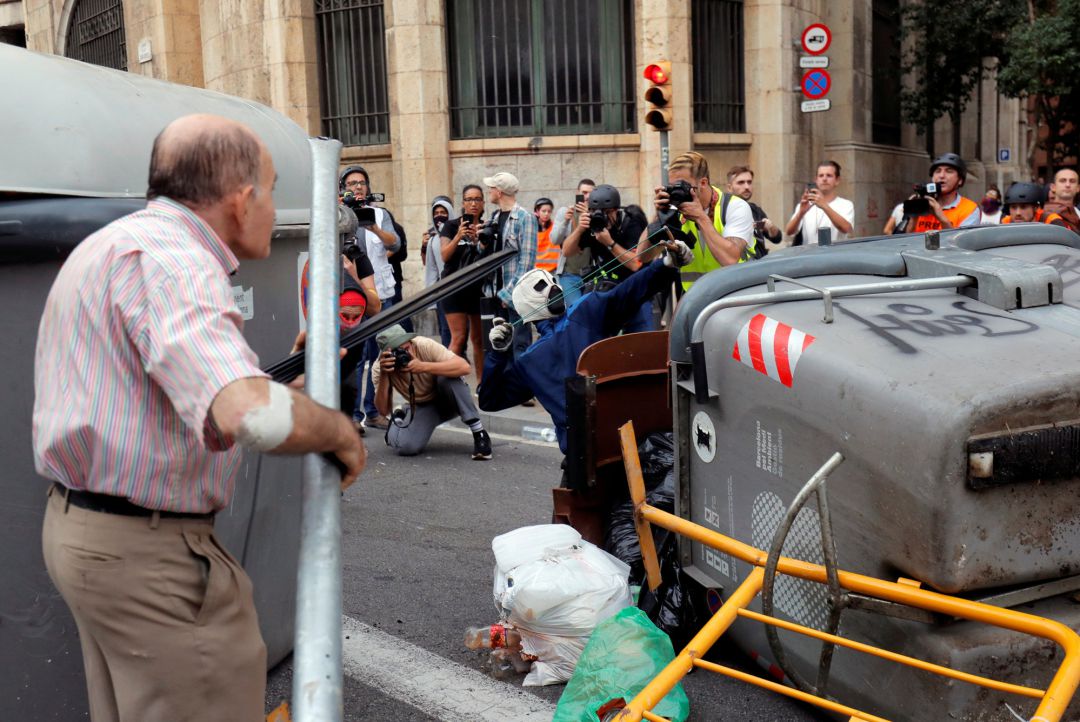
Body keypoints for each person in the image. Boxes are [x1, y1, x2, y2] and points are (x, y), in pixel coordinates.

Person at [32, 114, 365, 722]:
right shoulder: (177, 262)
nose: (272, 205)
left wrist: (277, 380)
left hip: (88, 534)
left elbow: (153, 393)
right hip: (148, 556)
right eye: (270, 189)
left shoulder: (120, 242)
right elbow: (248, 416)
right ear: (242, 201)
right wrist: (337, 430)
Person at [477, 241, 693, 454]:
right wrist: (498, 352)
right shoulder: (536, 356)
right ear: (526, 305)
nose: (554, 287)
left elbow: (628, 293)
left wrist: (664, 265)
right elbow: (490, 400)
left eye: (553, 280)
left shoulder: (538, 353)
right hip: (623, 437)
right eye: (542, 286)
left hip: (586, 451)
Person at [640, 151, 754, 292]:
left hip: (733, 295)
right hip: (695, 297)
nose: (677, 192)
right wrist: (658, 215)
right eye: (672, 186)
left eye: (682, 186)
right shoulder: (675, 209)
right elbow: (643, 256)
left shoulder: (734, 207)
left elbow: (730, 259)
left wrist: (700, 217)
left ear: (703, 183)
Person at [340, 165, 401, 431]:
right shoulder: (339, 215)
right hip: (351, 298)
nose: (358, 187)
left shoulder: (380, 214)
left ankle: (373, 411)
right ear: (343, 189)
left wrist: (375, 228)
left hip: (381, 295)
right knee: (356, 357)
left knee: (382, 355)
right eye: (352, 183)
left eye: (362, 183)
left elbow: (395, 244)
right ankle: (353, 417)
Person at [373, 324, 492, 460]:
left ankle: (479, 434)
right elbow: (382, 410)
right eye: (396, 353)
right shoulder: (379, 368)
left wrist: (423, 366)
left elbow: (464, 367)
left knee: (448, 376)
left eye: (406, 349)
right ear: (385, 355)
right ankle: (401, 416)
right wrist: (384, 376)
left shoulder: (424, 345)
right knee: (406, 447)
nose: (403, 355)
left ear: (411, 343)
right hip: (422, 405)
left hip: (449, 398)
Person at [560, 184, 652, 331]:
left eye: (608, 212)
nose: (603, 217)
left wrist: (609, 243)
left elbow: (636, 263)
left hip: (637, 290)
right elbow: (567, 252)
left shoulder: (630, 221)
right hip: (609, 290)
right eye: (597, 212)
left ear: (617, 210)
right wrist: (579, 229)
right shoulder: (593, 224)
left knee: (639, 339)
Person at [481, 171, 538, 357]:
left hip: (513, 297)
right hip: (494, 293)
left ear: (499, 191)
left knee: (518, 347)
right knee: (496, 348)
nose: (488, 190)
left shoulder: (525, 217)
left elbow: (527, 261)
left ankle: (522, 386)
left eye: (491, 187)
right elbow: (487, 254)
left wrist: (510, 294)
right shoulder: (495, 217)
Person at [440, 184, 487, 379]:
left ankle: (482, 385)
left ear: (483, 203)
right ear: (463, 203)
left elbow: (489, 256)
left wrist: (479, 240)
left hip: (477, 288)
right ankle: (444, 382)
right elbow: (444, 256)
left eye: (477, 199)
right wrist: (459, 235)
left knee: (479, 339)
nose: (473, 203)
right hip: (454, 286)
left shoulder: (487, 226)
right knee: (458, 338)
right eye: (469, 199)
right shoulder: (451, 226)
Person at [905, 153, 981, 232]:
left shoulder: (969, 209)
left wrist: (942, 218)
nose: (941, 175)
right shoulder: (922, 203)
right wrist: (913, 219)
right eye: (938, 171)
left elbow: (963, 242)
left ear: (960, 181)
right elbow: (906, 241)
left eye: (949, 171)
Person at [784, 160, 855, 245]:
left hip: (835, 255)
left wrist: (824, 205)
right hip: (808, 255)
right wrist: (801, 213)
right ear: (816, 180)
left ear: (837, 180)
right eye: (821, 176)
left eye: (829, 175)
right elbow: (789, 232)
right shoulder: (805, 205)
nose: (824, 179)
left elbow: (847, 229)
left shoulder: (846, 204)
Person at [549, 178, 596, 305]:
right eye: (584, 193)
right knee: (574, 311)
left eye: (591, 193)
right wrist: (565, 221)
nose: (587, 197)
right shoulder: (565, 211)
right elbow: (554, 239)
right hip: (568, 275)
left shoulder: (596, 214)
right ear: (578, 193)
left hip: (591, 274)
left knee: (589, 311)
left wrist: (589, 215)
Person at [727, 165, 781, 256]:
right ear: (729, 187)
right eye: (741, 182)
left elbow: (777, 239)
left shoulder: (755, 209)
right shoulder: (723, 210)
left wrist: (771, 227)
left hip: (757, 265)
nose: (747, 186)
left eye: (749, 182)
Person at [423, 195, 454, 346]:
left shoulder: (458, 235)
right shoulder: (433, 241)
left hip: (460, 289)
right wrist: (431, 298)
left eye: (443, 212)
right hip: (442, 292)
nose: (439, 216)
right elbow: (431, 270)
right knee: (445, 329)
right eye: (436, 213)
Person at [1000, 182, 1066, 226]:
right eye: (1013, 207)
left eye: (1023, 207)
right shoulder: (1006, 222)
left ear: (1036, 207)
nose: (1018, 213)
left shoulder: (1051, 221)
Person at [1045, 168, 1080, 233]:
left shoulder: (1078, 213)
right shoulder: (1044, 214)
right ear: (1053, 187)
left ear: (1078, 188)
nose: (1067, 185)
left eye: (1072, 181)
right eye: (1062, 181)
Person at [533, 197, 559, 272]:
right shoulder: (531, 229)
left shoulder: (555, 227)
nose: (546, 214)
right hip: (536, 270)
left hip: (554, 270)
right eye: (543, 211)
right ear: (537, 211)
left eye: (549, 211)